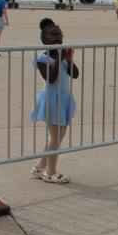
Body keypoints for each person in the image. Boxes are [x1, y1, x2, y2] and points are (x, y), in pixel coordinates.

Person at [29, 23, 78, 184]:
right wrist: (59, 58)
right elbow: (51, 78)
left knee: (58, 136)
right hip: (51, 100)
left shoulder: (63, 56)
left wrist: (69, 60)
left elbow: (75, 74)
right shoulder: (42, 58)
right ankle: (50, 172)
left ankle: (39, 166)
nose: (57, 38)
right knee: (55, 137)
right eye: (52, 35)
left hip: (64, 98)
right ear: (44, 40)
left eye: (59, 35)